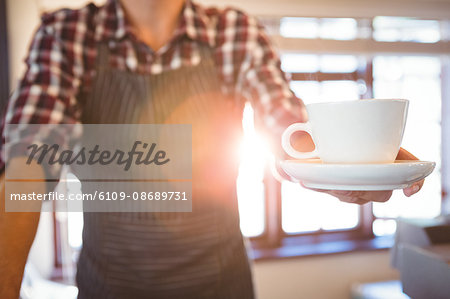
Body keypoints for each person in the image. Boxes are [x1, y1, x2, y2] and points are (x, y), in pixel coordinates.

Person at [0, 0, 423, 298]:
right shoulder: (68, 35)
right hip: (109, 286)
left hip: (220, 284)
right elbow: (27, 164)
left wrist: (352, 160)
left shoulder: (232, 32)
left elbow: (286, 130)